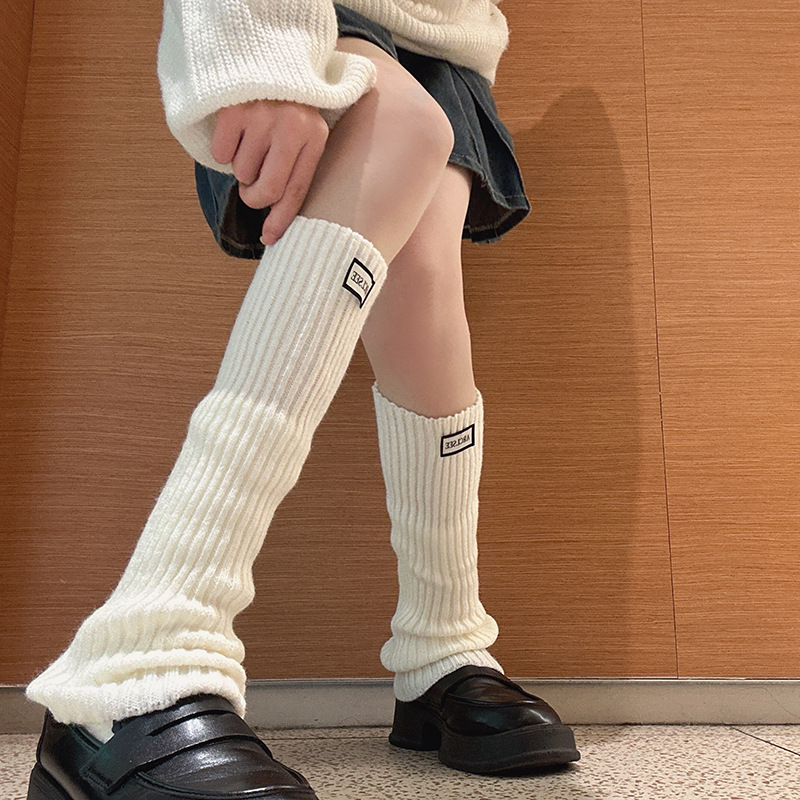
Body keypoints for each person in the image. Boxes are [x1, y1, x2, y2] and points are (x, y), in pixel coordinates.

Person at [24, 2, 580, 798]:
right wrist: (254, 38)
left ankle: (442, 640)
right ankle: (143, 650)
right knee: (399, 128)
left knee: (423, 294)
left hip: (443, 35)